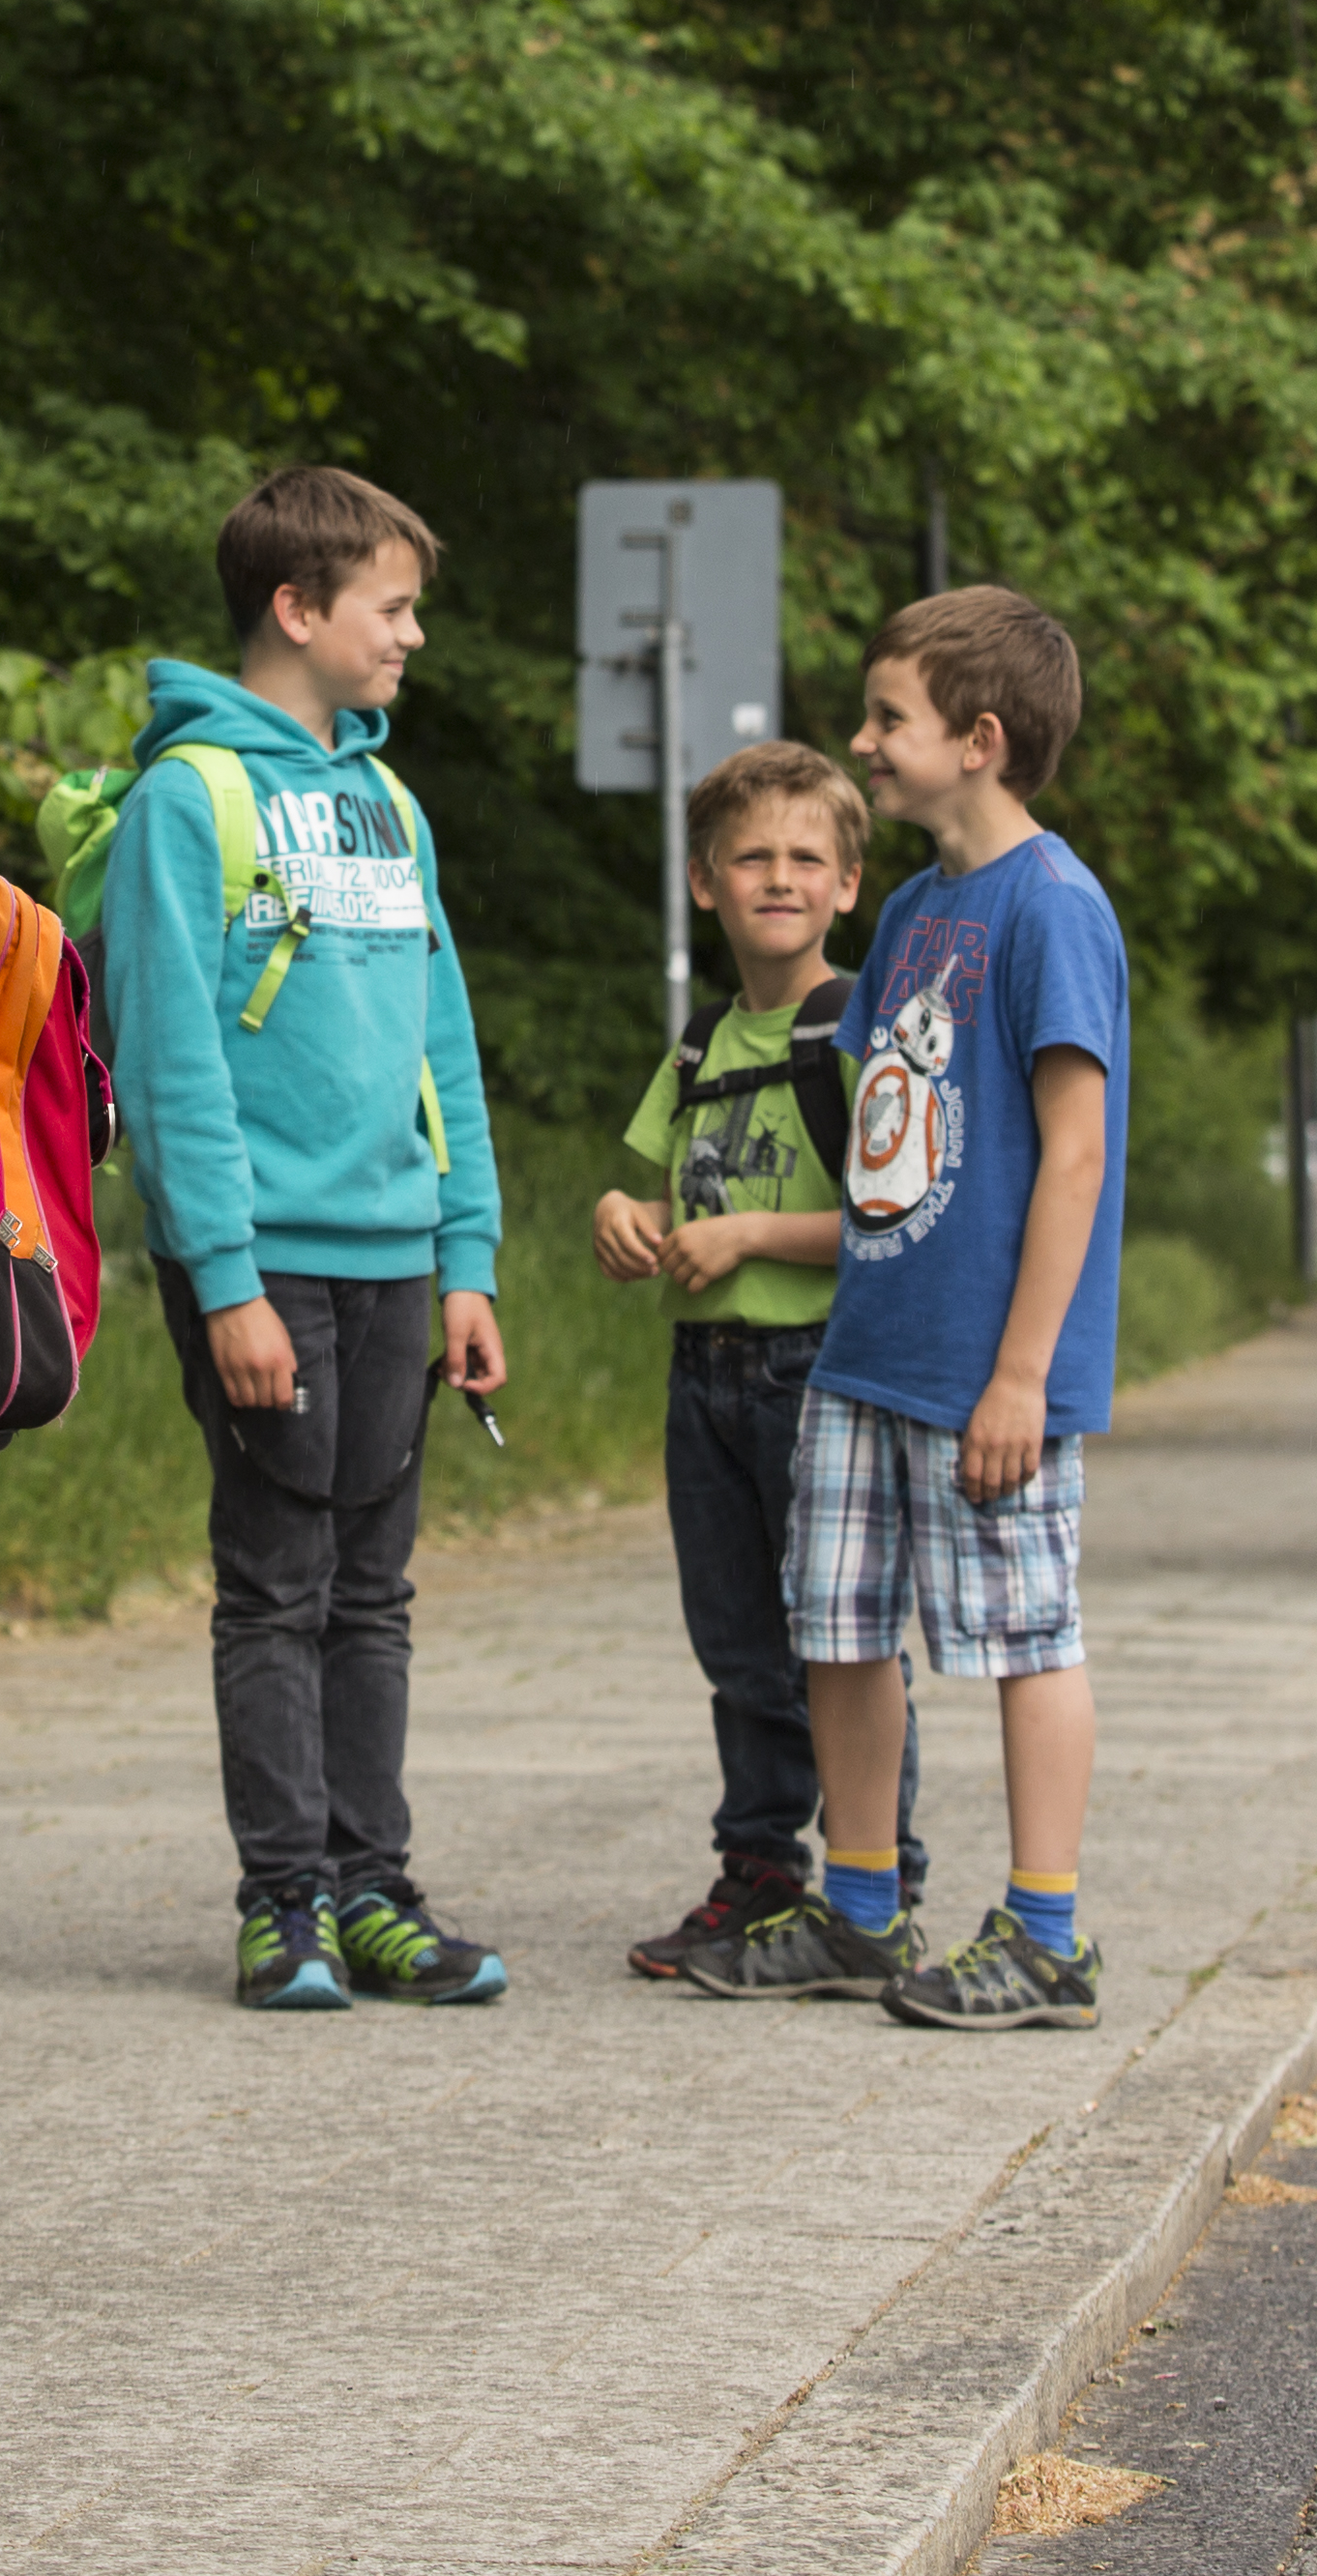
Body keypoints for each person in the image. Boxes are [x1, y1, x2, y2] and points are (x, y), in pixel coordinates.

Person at [102, 464, 512, 2013]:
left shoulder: (389, 802)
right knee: (276, 1583)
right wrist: (224, 1280)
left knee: (375, 1589)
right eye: (392, 609)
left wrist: (466, 1257)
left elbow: (442, 1049)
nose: (411, 639)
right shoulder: (188, 800)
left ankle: (376, 1890)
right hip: (265, 1267)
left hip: (400, 1261)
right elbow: (171, 1062)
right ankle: (286, 1905)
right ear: (298, 608)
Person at [738, 585, 1124, 2032]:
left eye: (886, 719)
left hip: (987, 1366)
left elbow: (1072, 1155)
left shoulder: (1053, 910)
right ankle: (856, 1909)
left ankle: (1046, 1934)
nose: (863, 742)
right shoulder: (909, 910)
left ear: (978, 739)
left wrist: (1022, 1375)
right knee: (836, 1624)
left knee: (1023, 1633)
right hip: (871, 1349)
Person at [586, 738, 924, 1987]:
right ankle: (759, 1872)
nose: (777, 877)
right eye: (751, 857)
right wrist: (623, 1220)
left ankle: (877, 1880)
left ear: (847, 886)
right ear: (703, 882)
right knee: (735, 1642)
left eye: (806, 858)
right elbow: (649, 1189)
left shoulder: (864, 1032)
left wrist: (749, 1235)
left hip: (816, 1373)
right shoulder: (696, 1046)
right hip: (704, 1378)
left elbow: (896, 1221)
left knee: (836, 1636)